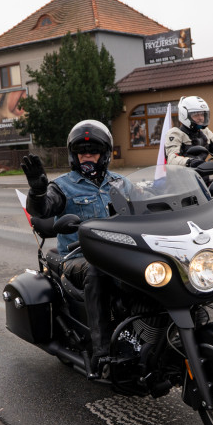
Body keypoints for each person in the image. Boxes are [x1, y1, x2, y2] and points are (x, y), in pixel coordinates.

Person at [20, 120, 124, 376]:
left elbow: (146, 209)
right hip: (78, 257)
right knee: (97, 271)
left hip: (120, 253)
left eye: (93, 151)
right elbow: (42, 209)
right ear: (74, 155)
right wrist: (37, 190)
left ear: (105, 154)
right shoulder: (62, 186)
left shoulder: (121, 183)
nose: (87, 156)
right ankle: (102, 352)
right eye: (82, 152)